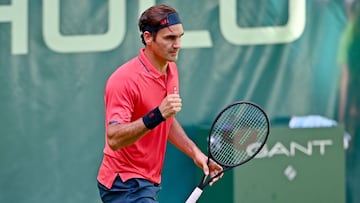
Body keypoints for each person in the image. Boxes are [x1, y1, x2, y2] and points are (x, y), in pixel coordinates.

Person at [96, 4, 223, 203]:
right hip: (123, 182)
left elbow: (166, 121)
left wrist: (195, 153)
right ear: (148, 37)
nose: (178, 44)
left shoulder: (171, 70)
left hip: (148, 181)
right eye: (170, 38)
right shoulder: (124, 80)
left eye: (180, 36)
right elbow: (114, 138)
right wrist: (157, 114)